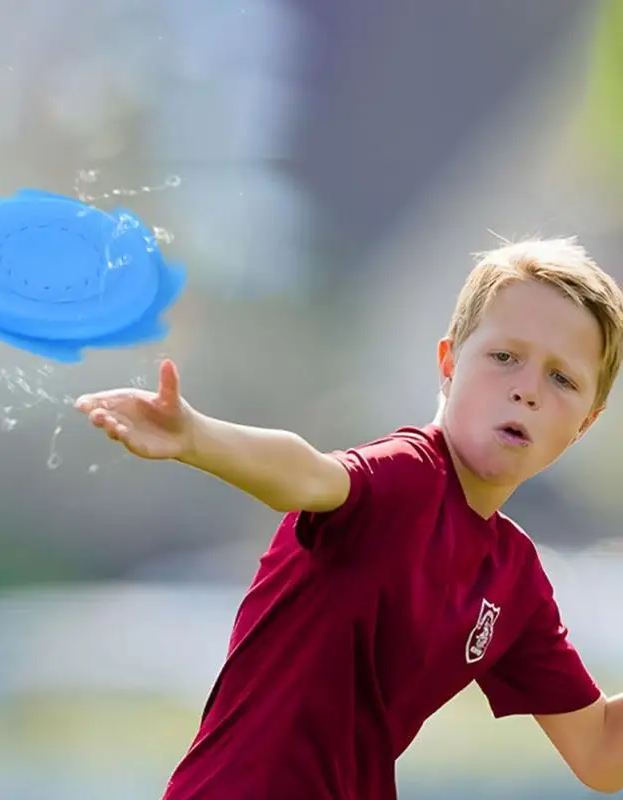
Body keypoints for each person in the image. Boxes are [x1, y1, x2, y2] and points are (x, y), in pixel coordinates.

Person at [75, 237, 623, 799]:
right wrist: (196, 437)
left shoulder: (514, 579)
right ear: (450, 364)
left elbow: (601, 752)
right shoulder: (408, 476)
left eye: (563, 379)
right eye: (505, 357)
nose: (526, 390)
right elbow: (308, 473)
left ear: (586, 422)